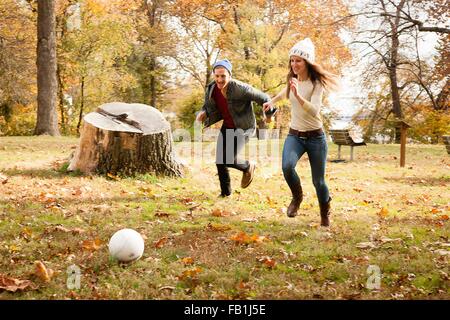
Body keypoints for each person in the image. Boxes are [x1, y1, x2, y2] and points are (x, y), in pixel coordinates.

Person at [263, 38, 339, 226]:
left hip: (315, 138)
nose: (294, 64)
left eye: (298, 60)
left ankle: (325, 211)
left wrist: (297, 95)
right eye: (292, 60)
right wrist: (271, 101)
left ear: (307, 62)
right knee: (287, 167)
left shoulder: (316, 83)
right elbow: (284, 92)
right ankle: (297, 198)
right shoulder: (293, 80)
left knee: (318, 182)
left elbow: (314, 110)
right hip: (295, 135)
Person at [196, 59, 271, 197]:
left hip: (244, 127)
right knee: (220, 160)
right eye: (217, 76)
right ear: (214, 75)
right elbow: (208, 106)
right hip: (228, 126)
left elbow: (264, 98)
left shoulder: (240, 88)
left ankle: (248, 166)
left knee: (227, 158)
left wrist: (269, 114)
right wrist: (203, 113)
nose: (219, 79)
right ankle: (225, 193)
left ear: (229, 75)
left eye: (223, 76)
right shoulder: (211, 88)